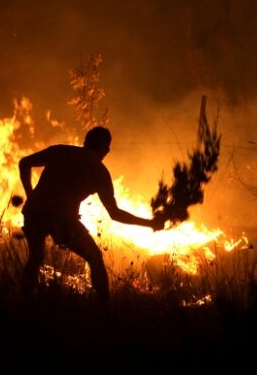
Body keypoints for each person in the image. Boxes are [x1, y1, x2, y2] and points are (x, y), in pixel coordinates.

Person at [18, 126, 164, 302]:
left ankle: (24, 302)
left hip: (34, 213)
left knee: (35, 259)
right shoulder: (100, 172)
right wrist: (150, 223)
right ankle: (104, 308)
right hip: (63, 219)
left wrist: (30, 195)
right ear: (106, 150)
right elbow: (115, 214)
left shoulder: (60, 151)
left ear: (85, 142)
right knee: (95, 258)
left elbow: (24, 162)